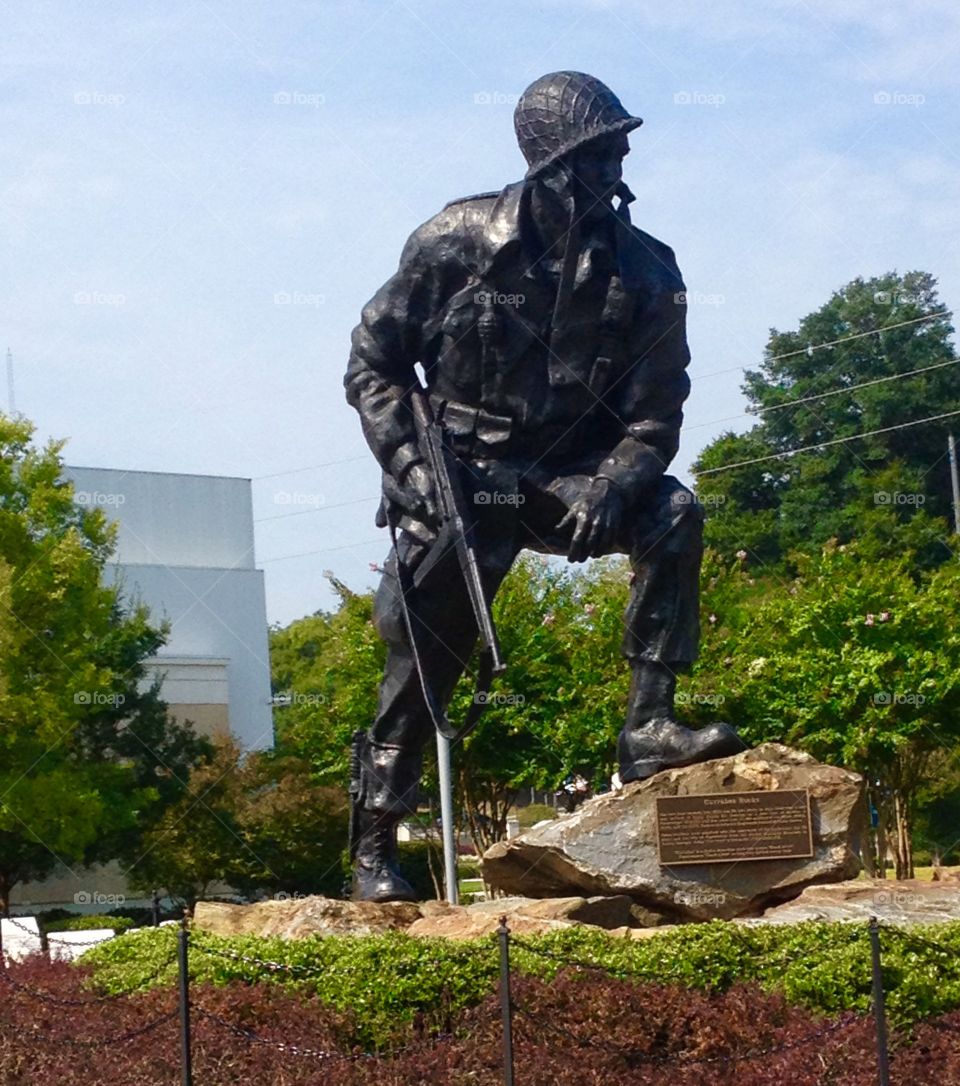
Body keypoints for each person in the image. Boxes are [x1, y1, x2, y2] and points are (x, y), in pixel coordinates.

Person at [344, 71, 743, 902]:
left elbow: (656, 417)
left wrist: (610, 481)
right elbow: (374, 363)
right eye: (602, 153)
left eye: (621, 148)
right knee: (424, 659)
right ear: (551, 166)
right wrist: (412, 472)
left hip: (572, 482)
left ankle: (650, 728)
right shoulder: (452, 240)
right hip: (463, 477)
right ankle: (375, 845)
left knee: (673, 512)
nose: (622, 163)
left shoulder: (648, 272)